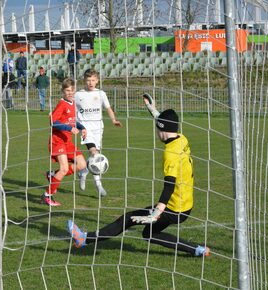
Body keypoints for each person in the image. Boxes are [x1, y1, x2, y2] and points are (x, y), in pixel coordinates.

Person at [67, 94, 210, 258]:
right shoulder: (181, 138)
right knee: (150, 234)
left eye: (158, 129)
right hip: (185, 205)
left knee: (128, 219)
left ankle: (84, 239)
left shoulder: (170, 154)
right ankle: (197, 250)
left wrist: (157, 212)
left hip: (173, 207)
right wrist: (152, 109)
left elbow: (169, 185)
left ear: (161, 130)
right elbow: (163, 122)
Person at [75, 69, 122, 197]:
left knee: (96, 155)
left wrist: (114, 120)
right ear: (84, 80)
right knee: (95, 154)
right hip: (85, 128)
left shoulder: (101, 93)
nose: (91, 83)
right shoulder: (78, 95)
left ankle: (83, 171)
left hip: (98, 128)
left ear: (97, 81)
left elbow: (108, 108)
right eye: (88, 80)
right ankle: (99, 186)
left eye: (93, 80)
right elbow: (71, 110)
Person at [43, 78, 89, 206]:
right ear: (63, 91)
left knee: (81, 164)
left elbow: (72, 120)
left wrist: (82, 128)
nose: (70, 92)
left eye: (72, 90)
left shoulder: (73, 103)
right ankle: (48, 195)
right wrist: (69, 128)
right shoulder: (62, 104)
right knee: (63, 169)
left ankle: (52, 175)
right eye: (67, 90)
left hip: (67, 141)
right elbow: (53, 121)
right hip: (57, 141)